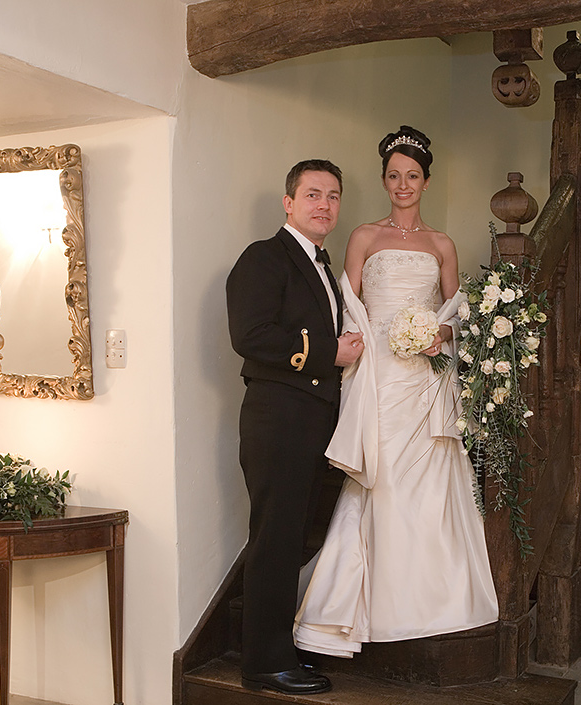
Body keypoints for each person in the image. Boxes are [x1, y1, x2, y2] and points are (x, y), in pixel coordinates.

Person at [293, 127, 498, 657]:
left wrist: (439, 334)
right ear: (384, 181)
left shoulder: (441, 244)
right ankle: (364, 603)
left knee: (427, 486)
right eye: (393, 176)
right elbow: (342, 306)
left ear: (426, 182)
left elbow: (461, 317)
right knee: (379, 482)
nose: (402, 185)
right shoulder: (363, 236)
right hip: (380, 377)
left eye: (412, 176)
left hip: (423, 381)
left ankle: (431, 598)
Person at [226, 159, 365, 694]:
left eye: (332, 196)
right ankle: (262, 664)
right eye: (312, 195)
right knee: (274, 541)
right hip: (277, 420)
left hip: (309, 422)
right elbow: (251, 335)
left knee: (291, 540)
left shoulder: (322, 263)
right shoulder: (264, 258)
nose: (324, 205)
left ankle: (280, 650)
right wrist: (329, 352)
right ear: (288, 203)